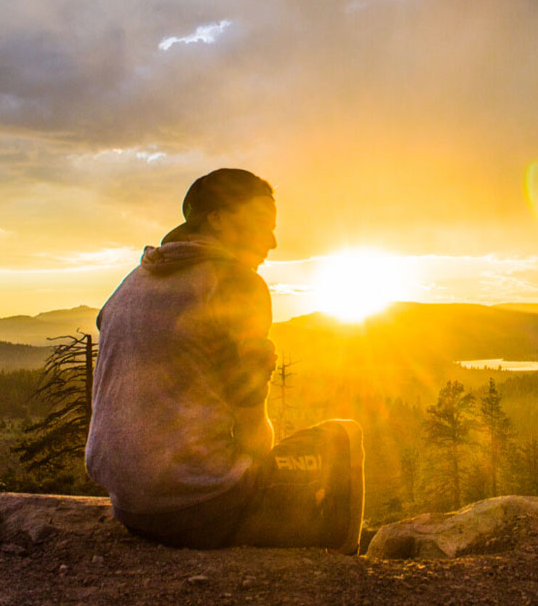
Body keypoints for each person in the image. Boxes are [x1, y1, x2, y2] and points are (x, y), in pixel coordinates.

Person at [85, 168, 364, 553]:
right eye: (262, 224)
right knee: (343, 438)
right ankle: (342, 556)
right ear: (216, 219)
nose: (273, 241)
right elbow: (251, 424)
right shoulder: (237, 283)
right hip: (199, 509)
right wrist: (264, 477)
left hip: (129, 508)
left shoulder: (131, 283)